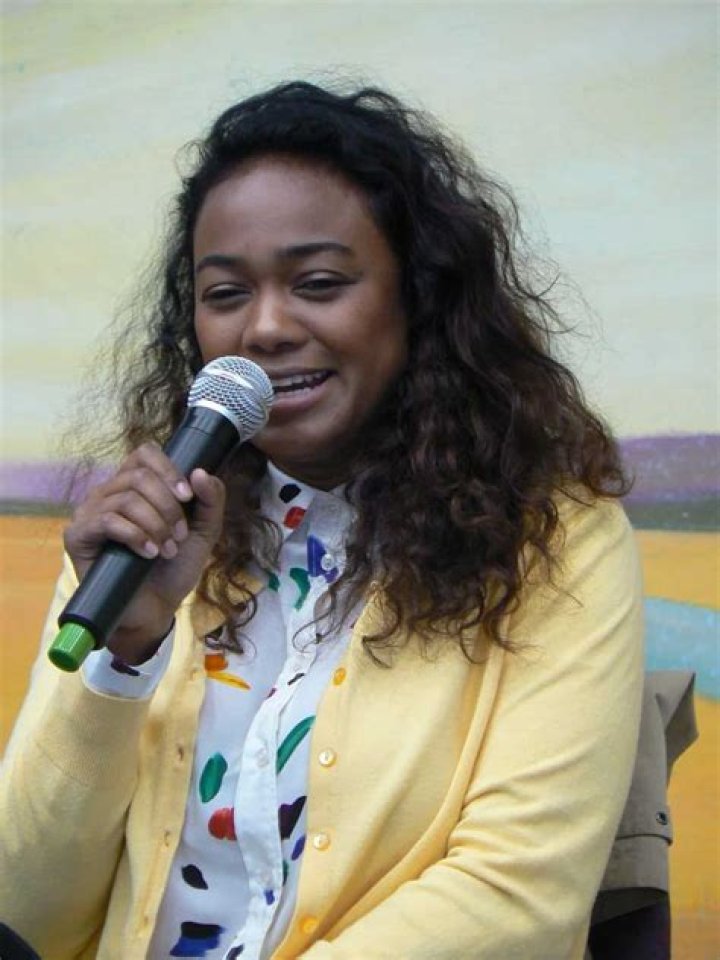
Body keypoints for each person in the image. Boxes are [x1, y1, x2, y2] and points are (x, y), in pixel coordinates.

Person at [0, 81, 644, 960]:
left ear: (417, 297)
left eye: (319, 283)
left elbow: (519, 899)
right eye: (225, 293)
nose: (265, 327)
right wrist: (126, 657)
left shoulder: (554, 539)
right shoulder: (147, 532)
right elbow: (25, 910)